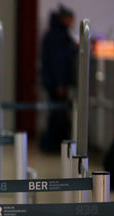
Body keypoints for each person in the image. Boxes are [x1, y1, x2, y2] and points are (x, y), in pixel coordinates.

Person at [40, 6, 77, 153]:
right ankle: (55, 144)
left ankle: (54, 143)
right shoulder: (59, 35)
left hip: (52, 81)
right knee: (58, 114)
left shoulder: (53, 33)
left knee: (56, 112)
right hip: (57, 83)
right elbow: (59, 61)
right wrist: (61, 83)